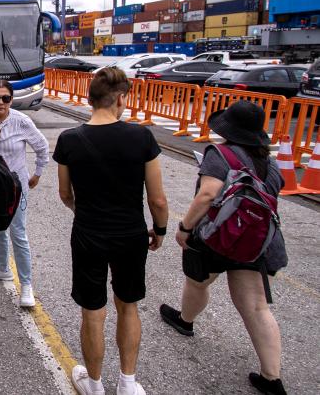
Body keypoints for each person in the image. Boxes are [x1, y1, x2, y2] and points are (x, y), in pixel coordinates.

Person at [53, 67, 169, 395]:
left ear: (90, 100)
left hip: (88, 233)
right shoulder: (142, 137)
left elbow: (64, 194)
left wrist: (86, 211)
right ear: (120, 99)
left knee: (93, 310)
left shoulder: (69, 140)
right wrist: (159, 230)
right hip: (131, 234)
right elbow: (158, 199)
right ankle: (128, 383)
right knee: (128, 305)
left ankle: (93, 383)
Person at [160, 101, 287, 395]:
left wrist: (185, 228)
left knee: (198, 281)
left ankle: (185, 320)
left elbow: (207, 195)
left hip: (217, 237)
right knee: (256, 306)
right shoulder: (270, 162)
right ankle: (271, 377)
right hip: (256, 241)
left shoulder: (220, 154)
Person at [0, 80, 50, 308]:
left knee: (18, 234)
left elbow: (42, 146)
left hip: (16, 187)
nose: (0, 103)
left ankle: (26, 285)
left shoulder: (21, 120)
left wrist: (37, 173)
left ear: (11, 99)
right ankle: (2, 269)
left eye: (5, 98)